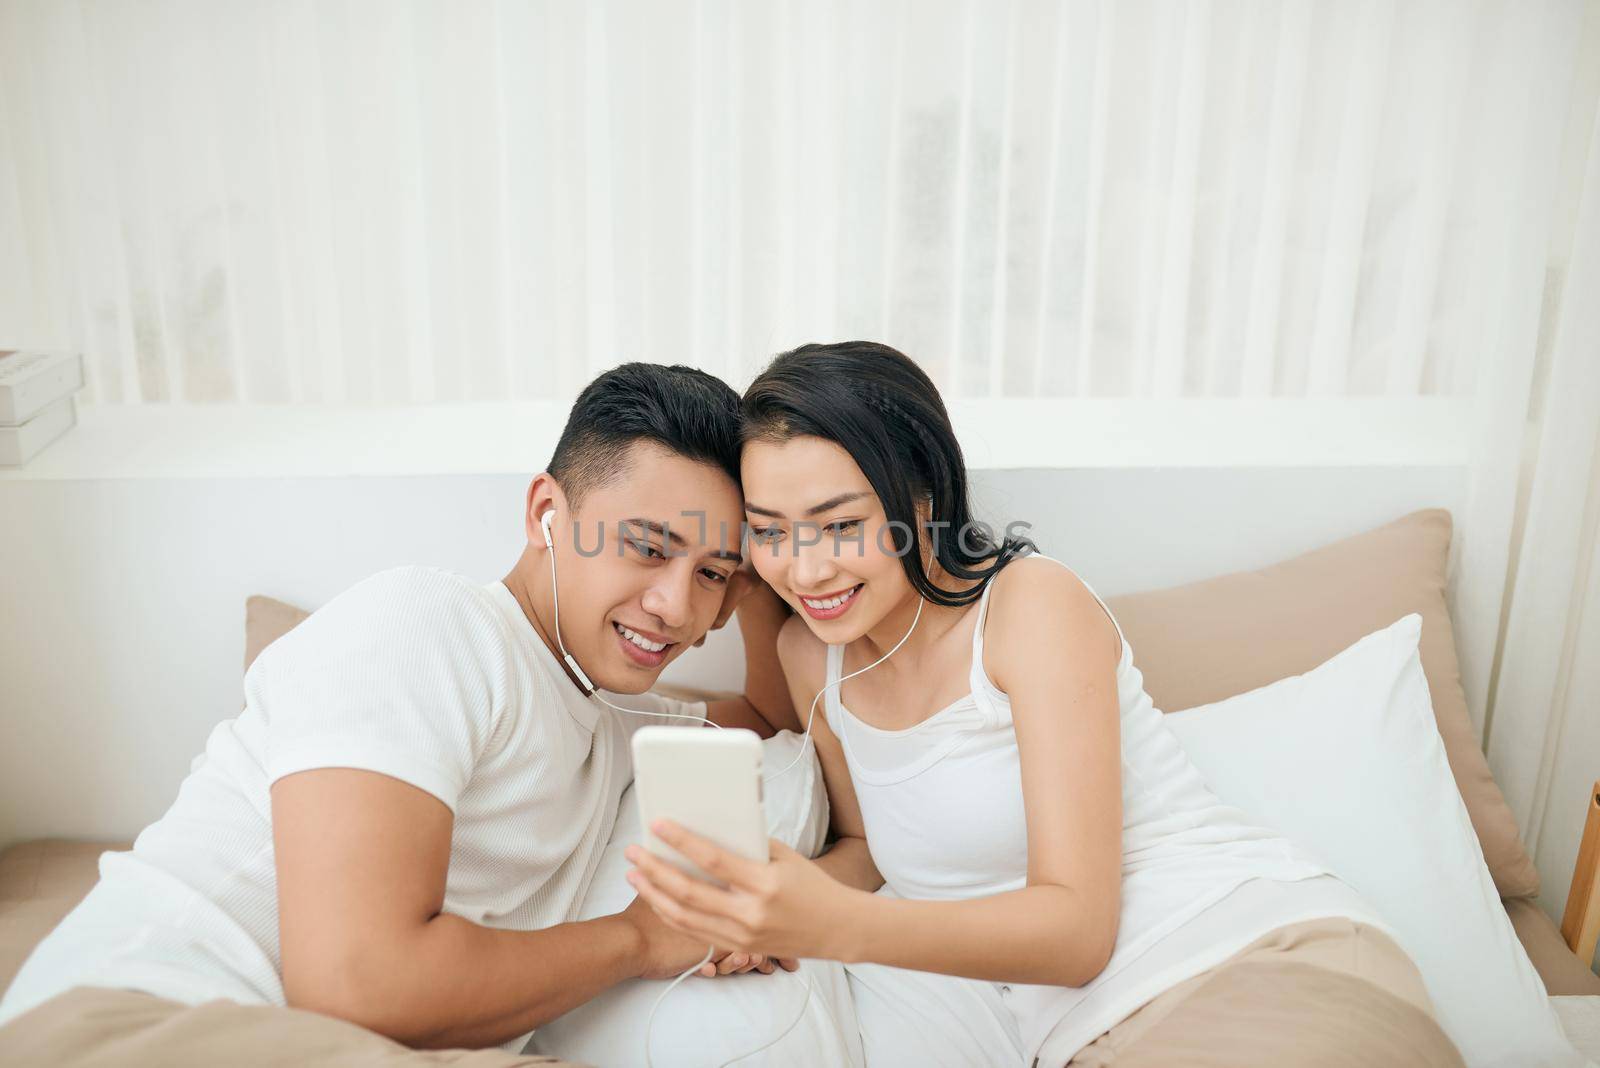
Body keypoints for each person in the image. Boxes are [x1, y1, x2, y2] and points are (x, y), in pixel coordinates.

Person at [625, 341, 1466, 1067]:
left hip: (1246, 962)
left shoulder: (1030, 608)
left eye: (840, 525)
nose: (804, 571)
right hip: (1082, 1039)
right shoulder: (811, 657)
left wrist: (830, 924)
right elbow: (867, 845)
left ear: (925, 496)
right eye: (770, 531)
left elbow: (1076, 931)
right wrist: (765, 903)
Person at [0, 363, 798, 1064]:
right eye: (649, 548)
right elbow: (357, 986)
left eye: (712, 575)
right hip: (141, 1022)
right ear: (545, 513)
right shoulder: (426, 625)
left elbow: (771, 712)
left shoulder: (615, 722)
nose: (676, 607)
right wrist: (644, 938)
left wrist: (766, 557)